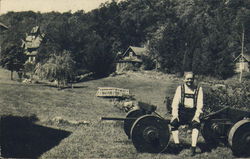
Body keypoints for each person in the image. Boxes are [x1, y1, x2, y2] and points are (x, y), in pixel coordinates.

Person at [170, 71, 203, 156]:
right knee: (174, 124)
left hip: (193, 113)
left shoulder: (198, 89)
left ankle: (193, 147)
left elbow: (200, 105)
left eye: (191, 79)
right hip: (182, 112)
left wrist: (197, 116)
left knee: (196, 125)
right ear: (184, 79)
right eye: (187, 79)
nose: (189, 80)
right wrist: (175, 115)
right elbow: (175, 103)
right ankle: (177, 145)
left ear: (193, 79)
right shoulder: (180, 89)